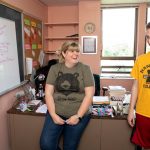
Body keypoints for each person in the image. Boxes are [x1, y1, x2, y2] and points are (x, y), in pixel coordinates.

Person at [40, 41, 95, 150]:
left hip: (79, 113)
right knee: (46, 145)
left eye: (77, 51)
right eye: (72, 51)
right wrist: (53, 115)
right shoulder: (55, 69)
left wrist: (78, 116)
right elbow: (48, 93)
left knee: (70, 147)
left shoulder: (85, 69)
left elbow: (89, 95)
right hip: (56, 111)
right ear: (64, 54)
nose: (76, 53)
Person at [128, 22, 150, 150]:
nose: (149, 41)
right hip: (143, 113)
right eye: (148, 37)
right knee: (144, 147)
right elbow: (135, 86)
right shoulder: (141, 60)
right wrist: (131, 110)